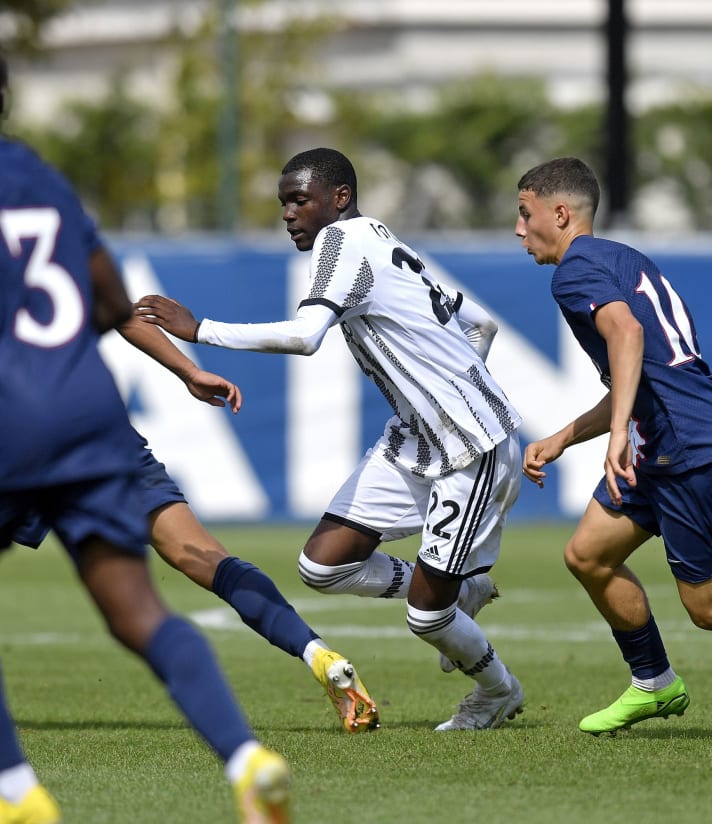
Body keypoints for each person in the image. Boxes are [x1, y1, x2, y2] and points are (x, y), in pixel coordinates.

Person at [135, 147, 525, 731]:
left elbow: (306, 335)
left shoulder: (341, 241)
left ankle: (497, 691)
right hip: (417, 441)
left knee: (426, 616)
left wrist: (200, 330)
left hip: (471, 448)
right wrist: (455, 385)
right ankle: (461, 589)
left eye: (300, 200)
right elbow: (481, 323)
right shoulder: (380, 239)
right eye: (283, 203)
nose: (288, 214)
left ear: (339, 198)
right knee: (322, 567)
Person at [0, 54, 289, 824]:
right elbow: (108, 302)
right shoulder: (44, 180)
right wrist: (184, 368)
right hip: (90, 413)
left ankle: (18, 793)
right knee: (137, 608)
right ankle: (246, 758)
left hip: (8, 416)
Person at [515, 155, 712, 736]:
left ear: (559, 214)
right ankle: (654, 683)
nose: (518, 229)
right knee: (588, 555)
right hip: (666, 439)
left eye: (525, 214)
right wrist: (563, 438)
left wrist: (618, 435)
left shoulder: (573, 272)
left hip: (685, 446)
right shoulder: (624, 258)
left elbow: (627, 335)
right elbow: (640, 370)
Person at [13, 314, 380, 735]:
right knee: (211, 561)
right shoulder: (73, 273)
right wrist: (189, 371)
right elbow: (122, 313)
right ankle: (316, 653)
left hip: (21, 435)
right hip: (98, 431)